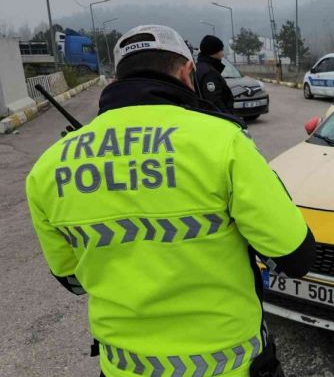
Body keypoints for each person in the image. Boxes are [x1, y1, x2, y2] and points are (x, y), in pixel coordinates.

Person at [25, 25, 316, 377]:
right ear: (186, 71)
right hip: (231, 365)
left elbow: (73, 280)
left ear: (115, 78)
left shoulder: (48, 168)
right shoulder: (224, 142)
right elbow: (297, 256)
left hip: (123, 367)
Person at [196, 34, 236, 115]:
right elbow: (215, 103)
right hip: (218, 120)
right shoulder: (209, 73)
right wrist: (230, 118)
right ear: (213, 52)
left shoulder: (199, 66)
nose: (223, 54)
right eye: (221, 50)